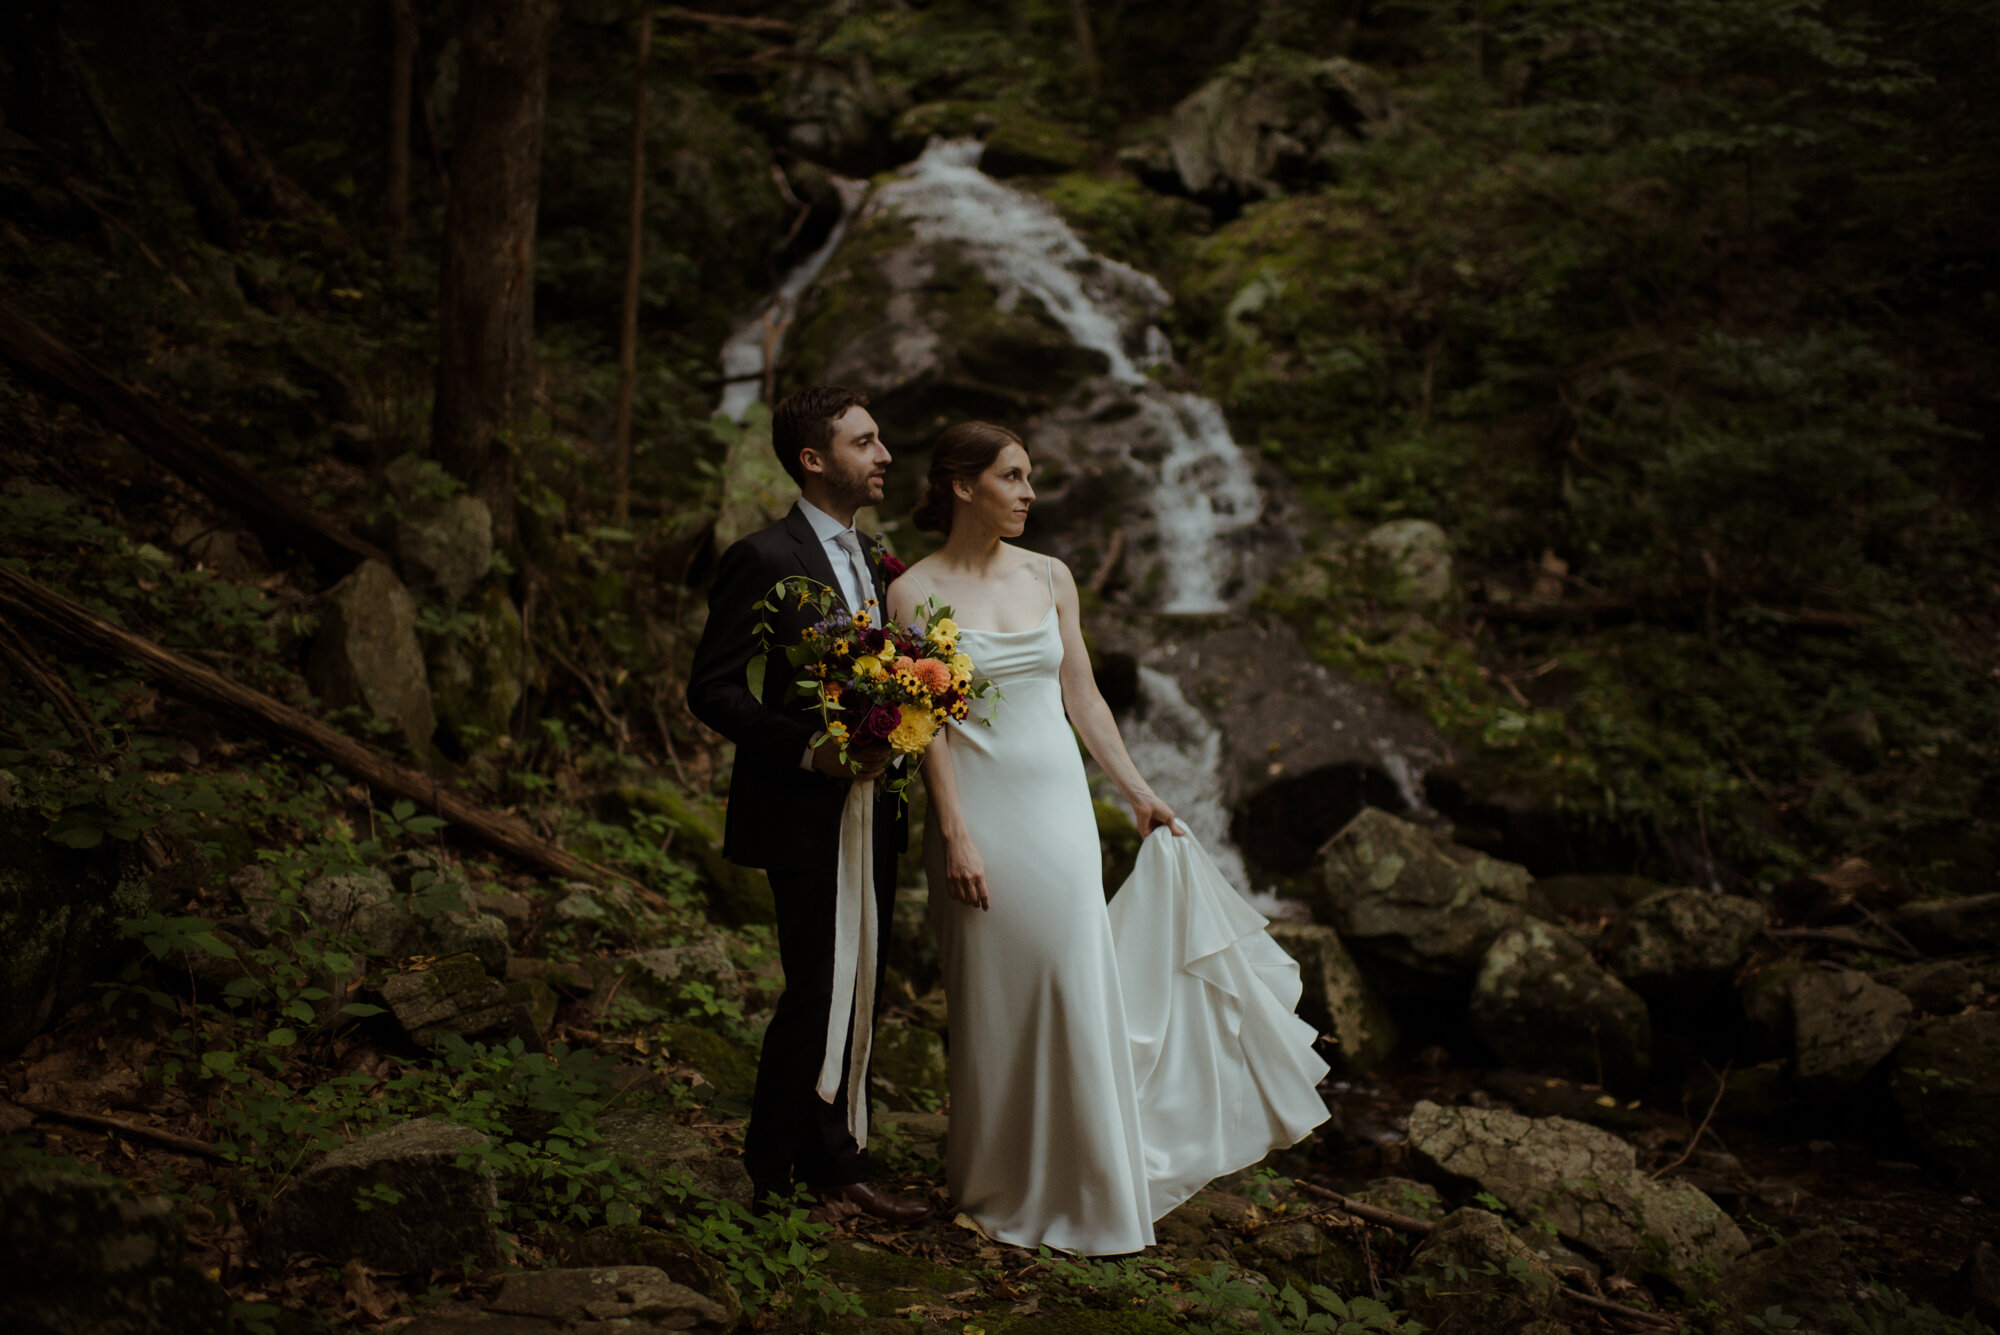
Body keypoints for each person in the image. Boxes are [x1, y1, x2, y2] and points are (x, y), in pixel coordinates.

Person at [886, 421, 1330, 1255]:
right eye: (1013, 477)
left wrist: (1138, 794)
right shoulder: (912, 593)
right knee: (991, 999)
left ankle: (1090, 1187)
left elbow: (1084, 697)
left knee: (1067, 980)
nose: (1028, 493)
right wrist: (952, 833)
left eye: (1030, 478)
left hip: (1056, 813)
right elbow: (923, 726)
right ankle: (990, 1182)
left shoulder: (1052, 576)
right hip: (977, 815)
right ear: (960, 484)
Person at [685, 385, 929, 1224]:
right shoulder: (763, 556)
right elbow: (711, 688)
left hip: (875, 807)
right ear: (814, 460)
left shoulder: (877, 557)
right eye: (866, 442)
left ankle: (833, 1159)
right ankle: (769, 1173)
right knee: (818, 985)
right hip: (802, 804)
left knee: (862, 982)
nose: (885, 455)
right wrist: (803, 745)